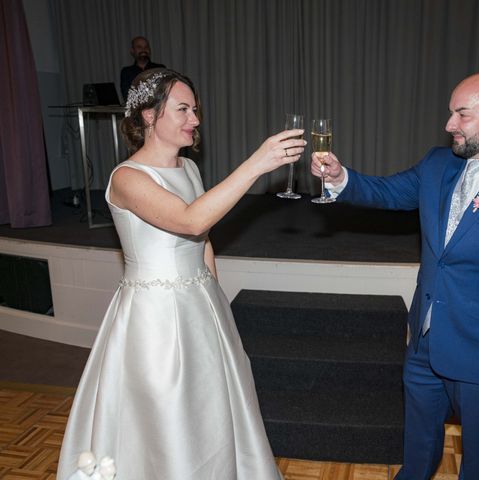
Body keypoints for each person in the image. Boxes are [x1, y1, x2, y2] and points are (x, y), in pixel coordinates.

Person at [310, 70, 479, 479]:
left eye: (462, 115)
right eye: (451, 113)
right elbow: (387, 192)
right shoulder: (438, 165)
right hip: (424, 344)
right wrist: (339, 177)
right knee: (417, 449)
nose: (449, 124)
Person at [57, 68, 305, 479]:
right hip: (153, 320)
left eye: (196, 109)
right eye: (183, 109)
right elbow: (188, 221)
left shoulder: (189, 169)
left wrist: (217, 303)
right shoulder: (126, 178)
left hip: (201, 307)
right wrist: (256, 165)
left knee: (211, 409)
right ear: (150, 116)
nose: (195, 119)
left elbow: (202, 237)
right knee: (166, 413)